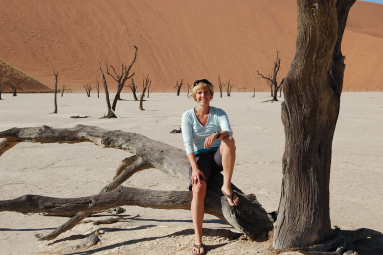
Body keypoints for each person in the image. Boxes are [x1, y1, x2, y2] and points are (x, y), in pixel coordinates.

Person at [182, 79, 239, 255]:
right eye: (199, 92)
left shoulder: (218, 113)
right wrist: (195, 168)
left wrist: (216, 134)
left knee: (228, 140)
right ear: (194, 95)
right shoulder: (188, 116)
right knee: (198, 189)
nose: (203, 96)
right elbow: (188, 144)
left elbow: (228, 131)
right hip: (200, 157)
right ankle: (198, 239)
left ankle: (226, 186)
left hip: (217, 156)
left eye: (206, 92)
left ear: (211, 95)